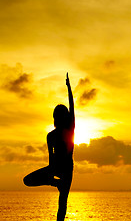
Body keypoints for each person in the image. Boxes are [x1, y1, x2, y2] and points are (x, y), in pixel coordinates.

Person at [23, 73, 75, 221]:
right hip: (56, 168)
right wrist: (52, 179)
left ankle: (59, 185)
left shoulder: (70, 129)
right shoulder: (50, 136)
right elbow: (51, 161)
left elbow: (72, 107)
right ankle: (57, 184)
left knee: (62, 204)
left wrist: (69, 88)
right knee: (27, 180)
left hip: (67, 169)